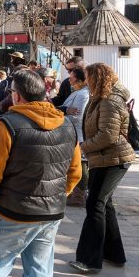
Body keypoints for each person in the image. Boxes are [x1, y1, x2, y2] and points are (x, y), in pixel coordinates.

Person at [0, 69, 81, 277]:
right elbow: (74, 172)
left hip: (12, 211)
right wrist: (56, 195)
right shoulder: (67, 125)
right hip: (50, 212)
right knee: (40, 271)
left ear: (18, 96)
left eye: (12, 93)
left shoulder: (8, 125)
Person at [69, 63, 135, 275]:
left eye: (89, 77)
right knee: (105, 206)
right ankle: (114, 254)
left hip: (113, 159)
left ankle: (89, 259)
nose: (86, 81)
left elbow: (108, 135)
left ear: (98, 78)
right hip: (104, 158)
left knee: (95, 205)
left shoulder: (109, 101)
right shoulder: (102, 98)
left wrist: (82, 147)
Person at [60, 67, 90, 207]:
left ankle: (79, 195)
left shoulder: (83, 94)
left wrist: (60, 115)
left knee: (81, 164)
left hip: (78, 134)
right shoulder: (79, 92)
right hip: (73, 133)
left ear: (78, 79)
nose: (69, 79)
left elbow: (77, 117)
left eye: (71, 77)